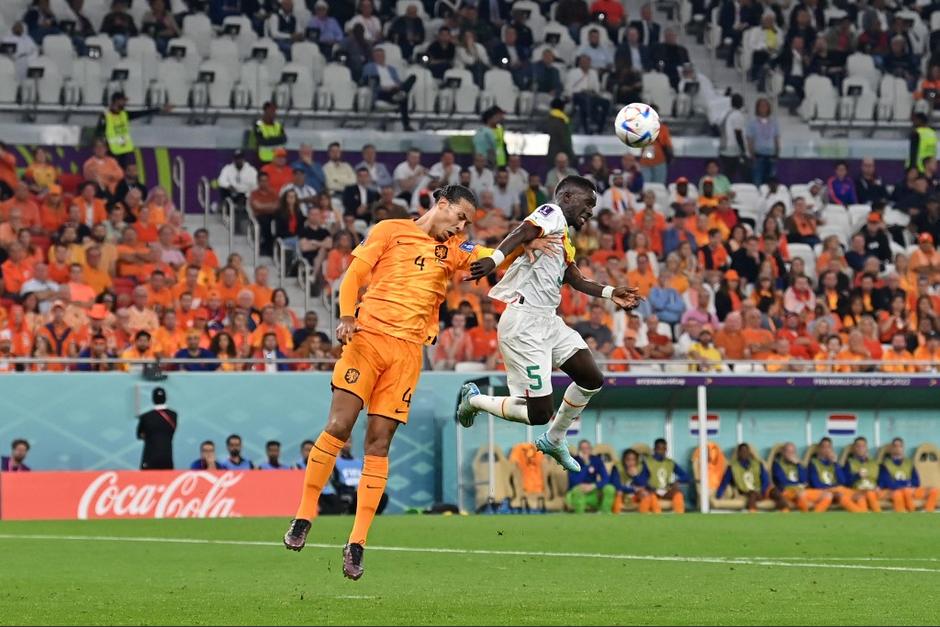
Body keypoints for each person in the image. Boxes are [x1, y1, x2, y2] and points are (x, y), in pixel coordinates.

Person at [283, 185, 551, 579]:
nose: (460, 226)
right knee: (339, 426)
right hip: (367, 339)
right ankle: (305, 515)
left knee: (379, 441)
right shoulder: (390, 230)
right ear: (440, 205)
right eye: (458, 216)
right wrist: (345, 315)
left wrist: (522, 247)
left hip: (407, 354)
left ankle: (357, 542)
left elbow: (485, 255)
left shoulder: (454, 248)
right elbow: (355, 272)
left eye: (466, 223)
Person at [458, 176, 641, 474]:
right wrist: (494, 260)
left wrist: (611, 293)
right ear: (567, 197)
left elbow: (575, 278)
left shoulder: (563, 238)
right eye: (588, 203)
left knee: (591, 378)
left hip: (549, 321)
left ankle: (555, 439)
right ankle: (476, 400)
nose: (591, 212)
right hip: (524, 324)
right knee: (538, 412)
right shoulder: (551, 212)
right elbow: (524, 230)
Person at [95, 92, 169, 165]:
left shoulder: (124, 114)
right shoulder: (106, 116)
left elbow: (141, 113)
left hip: (124, 151)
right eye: (123, 101)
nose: (125, 103)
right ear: (116, 101)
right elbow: (99, 133)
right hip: (111, 152)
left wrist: (159, 109)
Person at [717, 443, 787, 512]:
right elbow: (724, 482)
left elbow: (765, 480)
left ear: (749, 453)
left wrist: (763, 491)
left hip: (762, 491)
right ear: (738, 453)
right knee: (752, 495)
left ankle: (785, 511)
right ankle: (752, 514)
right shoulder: (732, 467)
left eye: (746, 451)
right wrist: (719, 495)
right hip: (747, 492)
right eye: (742, 451)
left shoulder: (758, 464)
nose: (744, 453)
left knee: (776, 492)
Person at [360, 48, 418, 131]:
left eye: (382, 55)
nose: (380, 57)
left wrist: (398, 86)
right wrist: (384, 87)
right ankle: (406, 125)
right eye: (378, 55)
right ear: (374, 57)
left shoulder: (391, 69)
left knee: (412, 77)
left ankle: (401, 93)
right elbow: (367, 80)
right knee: (403, 98)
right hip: (382, 91)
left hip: (395, 90)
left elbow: (398, 81)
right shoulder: (370, 67)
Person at [879, 437, 938, 513]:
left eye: (900, 446)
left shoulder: (909, 463)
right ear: (891, 449)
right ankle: (906, 514)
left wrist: (908, 486)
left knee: (934, 491)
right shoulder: (885, 464)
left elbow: (916, 482)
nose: (898, 448)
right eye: (895, 446)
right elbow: (888, 483)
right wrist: (906, 485)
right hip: (894, 491)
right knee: (900, 494)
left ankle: (928, 513)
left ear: (903, 448)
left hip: (911, 490)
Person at [772, 442, 833, 512]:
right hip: (788, 492)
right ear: (783, 453)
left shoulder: (798, 465)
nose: (791, 454)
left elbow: (804, 480)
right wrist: (798, 485)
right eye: (788, 452)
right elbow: (782, 482)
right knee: (801, 494)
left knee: (828, 495)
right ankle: (805, 514)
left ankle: (816, 514)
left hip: (802, 491)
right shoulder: (777, 464)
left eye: (793, 452)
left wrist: (798, 465)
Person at [566, 440, 615, 513]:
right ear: (579, 451)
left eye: (587, 448)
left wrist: (594, 485)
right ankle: (580, 517)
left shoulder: (596, 460)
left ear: (590, 449)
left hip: (593, 488)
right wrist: (586, 465)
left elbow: (606, 478)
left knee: (610, 488)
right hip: (578, 490)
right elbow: (574, 481)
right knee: (577, 490)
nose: (585, 451)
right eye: (582, 449)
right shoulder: (573, 461)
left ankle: (606, 513)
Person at [136, 387, 177, 470]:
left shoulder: (145, 417)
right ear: (166, 398)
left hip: (149, 459)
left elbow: (139, 435)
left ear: (153, 399)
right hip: (167, 459)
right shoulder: (174, 415)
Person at [747, 98, 779, 186]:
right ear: (757, 108)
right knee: (757, 182)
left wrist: (777, 154)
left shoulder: (774, 123)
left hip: (771, 156)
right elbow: (750, 140)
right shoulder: (752, 123)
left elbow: (776, 138)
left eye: (765, 106)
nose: (763, 108)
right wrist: (752, 156)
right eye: (761, 106)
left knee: (771, 182)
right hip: (758, 157)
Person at [719, 94, 748, 182]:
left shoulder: (725, 113)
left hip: (723, 147)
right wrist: (743, 150)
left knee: (725, 173)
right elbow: (738, 133)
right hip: (732, 148)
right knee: (731, 174)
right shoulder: (737, 115)